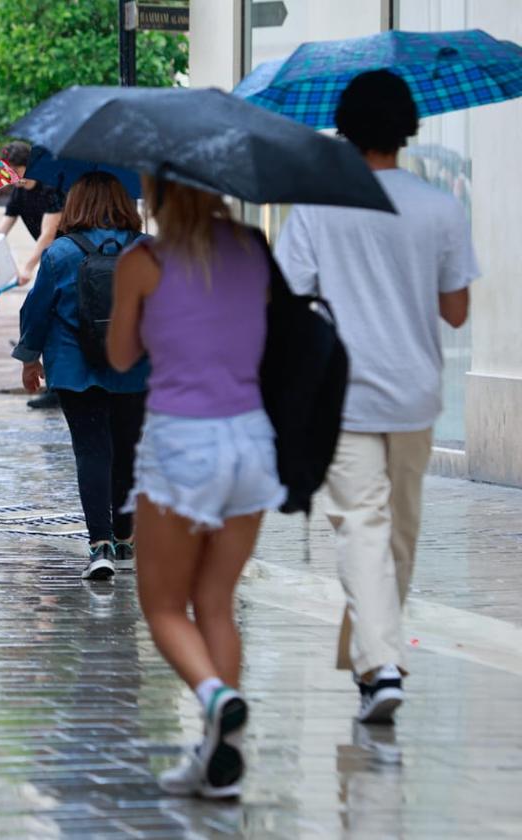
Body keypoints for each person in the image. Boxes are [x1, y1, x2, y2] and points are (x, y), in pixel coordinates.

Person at [274, 70, 477, 725]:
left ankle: (376, 663)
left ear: (344, 128)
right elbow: (456, 310)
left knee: (362, 527)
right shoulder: (439, 207)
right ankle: (380, 665)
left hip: (343, 393)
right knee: (397, 538)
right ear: (407, 129)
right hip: (416, 394)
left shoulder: (315, 206)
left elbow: (289, 296)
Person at [106, 177, 287, 800]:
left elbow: (122, 356)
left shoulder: (144, 261)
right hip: (252, 440)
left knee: (162, 607)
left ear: (155, 193)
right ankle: (218, 760)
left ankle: (215, 698)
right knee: (216, 603)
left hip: (182, 444)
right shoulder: (252, 248)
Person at [13, 172, 149, 580]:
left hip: (76, 369)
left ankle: (100, 544)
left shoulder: (61, 253)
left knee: (92, 452)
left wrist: (29, 359)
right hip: (135, 369)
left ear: (76, 205)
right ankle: (126, 540)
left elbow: (36, 311)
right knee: (127, 453)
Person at [0, 141, 65, 410]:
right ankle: (55, 388)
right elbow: (3, 227)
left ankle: (59, 387)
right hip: (50, 262)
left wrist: (27, 267)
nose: (14, 177)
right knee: (46, 319)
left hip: (66, 258)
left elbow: (48, 234)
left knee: (54, 319)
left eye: (17, 171)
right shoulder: (19, 192)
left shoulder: (51, 188)